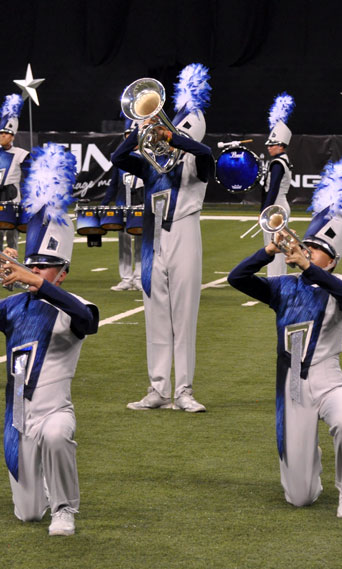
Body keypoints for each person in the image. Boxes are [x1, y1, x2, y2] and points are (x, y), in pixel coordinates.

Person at [228, 158, 342, 518]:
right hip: (292, 388)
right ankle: (308, 460)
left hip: (329, 377)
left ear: (333, 261)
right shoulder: (283, 288)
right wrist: (268, 252)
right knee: (300, 497)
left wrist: (311, 269)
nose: (305, 249)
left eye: (316, 249)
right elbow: (237, 278)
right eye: (305, 245)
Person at [2, 143, 99, 536]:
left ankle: (65, 509)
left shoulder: (76, 304)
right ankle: (41, 495)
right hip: (18, 421)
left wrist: (37, 283)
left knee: (58, 435)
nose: (36, 270)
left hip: (55, 413)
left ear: (64, 272)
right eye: (33, 263)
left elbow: (87, 322)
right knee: (27, 514)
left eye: (46, 266)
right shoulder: (12, 308)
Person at [112, 64, 213, 413]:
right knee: (154, 313)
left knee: (183, 316)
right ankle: (158, 389)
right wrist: (140, 128)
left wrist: (175, 138)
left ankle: (184, 390)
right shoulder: (149, 165)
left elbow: (205, 154)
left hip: (184, 231)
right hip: (153, 239)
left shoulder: (198, 165)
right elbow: (118, 157)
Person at [102, 122, 144, 291]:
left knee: (141, 241)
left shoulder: (147, 156)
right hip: (122, 204)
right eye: (127, 135)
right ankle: (126, 278)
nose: (130, 138)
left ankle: (140, 277)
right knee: (124, 242)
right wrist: (104, 204)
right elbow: (113, 184)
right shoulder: (119, 158)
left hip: (141, 204)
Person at [262, 93, 295, 277]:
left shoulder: (277, 163)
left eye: (273, 144)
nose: (269, 147)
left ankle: (275, 280)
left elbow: (273, 188)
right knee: (279, 244)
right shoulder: (284, 160)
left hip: (276, 207)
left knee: (273, 245)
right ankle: (277, 278)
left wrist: (265, 210)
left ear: (281, 145)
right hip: (280, 205)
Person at [0, 94, 30, 251]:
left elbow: (30, 178)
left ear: (12, 136)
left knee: (12, 238)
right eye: (0, 133)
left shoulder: (21, 153)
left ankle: (14, 270)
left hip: (13, 199)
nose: (2, 136)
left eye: (5, 133)